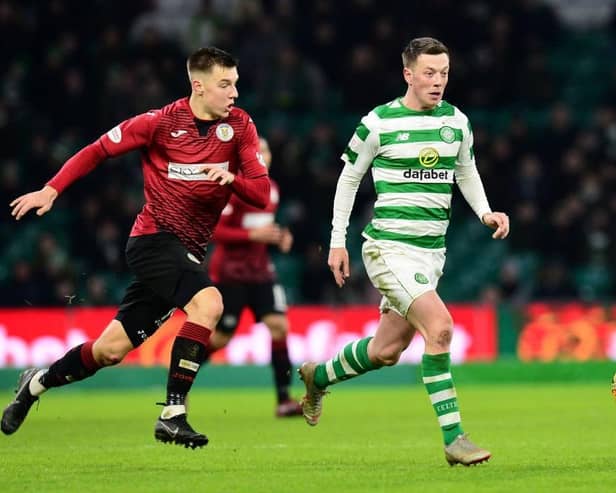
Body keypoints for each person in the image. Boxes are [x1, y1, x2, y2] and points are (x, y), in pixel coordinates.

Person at [2, 47, 270, 449]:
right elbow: (97, 150)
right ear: (198, 86)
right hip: (152, 240)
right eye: (224, 84)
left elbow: (262, 195)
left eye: (235, 83)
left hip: (187, 252)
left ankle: (35, 383)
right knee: (209, 303)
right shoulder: (159, 123)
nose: (234, 92)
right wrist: (52, 188)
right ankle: (173, 414)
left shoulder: (241, 127)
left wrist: (231, 179)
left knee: (109, 351)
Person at [297, 37, 509, 466]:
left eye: (444, 73)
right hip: (389, 249)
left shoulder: (457, 122)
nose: (438, 82)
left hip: (431, 254)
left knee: (385, 351)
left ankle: (317, 376)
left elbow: (465, 171)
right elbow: (348, 181)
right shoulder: (378, 123)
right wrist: (338, 240)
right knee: (441, 327)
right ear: (408, 74)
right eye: (429, 73)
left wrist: (485, 211)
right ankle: (454, 439)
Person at [206, 137, 302, 417]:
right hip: (230, 274)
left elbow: (263, 227)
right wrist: (253, 235)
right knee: (222, 337)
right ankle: (180, 377)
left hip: (261, 272)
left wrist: (280, 236)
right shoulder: (232, 189)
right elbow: (214, 232)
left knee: (279, 326)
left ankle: (283, 400)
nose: (264, 156)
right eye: (257, 152)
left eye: (267, 151)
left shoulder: (272, 190)